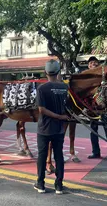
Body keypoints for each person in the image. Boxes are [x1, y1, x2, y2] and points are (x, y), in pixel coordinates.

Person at [33, 59, 70, 194]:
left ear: (45, 72)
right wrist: (61, 117)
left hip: (44, 129)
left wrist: (58, 116)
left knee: (42, 156)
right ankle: (59, 185)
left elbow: (41, 110)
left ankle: (40, 184)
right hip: (59, 129)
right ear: (58, 72)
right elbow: (68, 107)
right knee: (59, 156)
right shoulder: (64, 87)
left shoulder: (42, 88)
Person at [86, 56, 107, 163]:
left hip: (105, 107)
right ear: (88, 65)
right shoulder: (86, 78)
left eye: (95, 62)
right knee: (93, 131)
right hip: (92, 108)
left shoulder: (104, 75)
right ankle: (96, 152)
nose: (93, 64)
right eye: (91, 63)